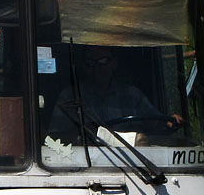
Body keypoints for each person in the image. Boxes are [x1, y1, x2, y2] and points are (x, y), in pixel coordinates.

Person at [48, 46, 182, 138]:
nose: (97, 67)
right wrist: (82, 134)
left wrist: (170, 122)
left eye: (103, 61)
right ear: (84, 67)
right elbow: (57, 137)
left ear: (114, 63)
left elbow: (156, 124)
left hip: (133, 163)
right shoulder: (70, 97)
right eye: (90, 63)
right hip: (85, 163)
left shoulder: (132, 96)